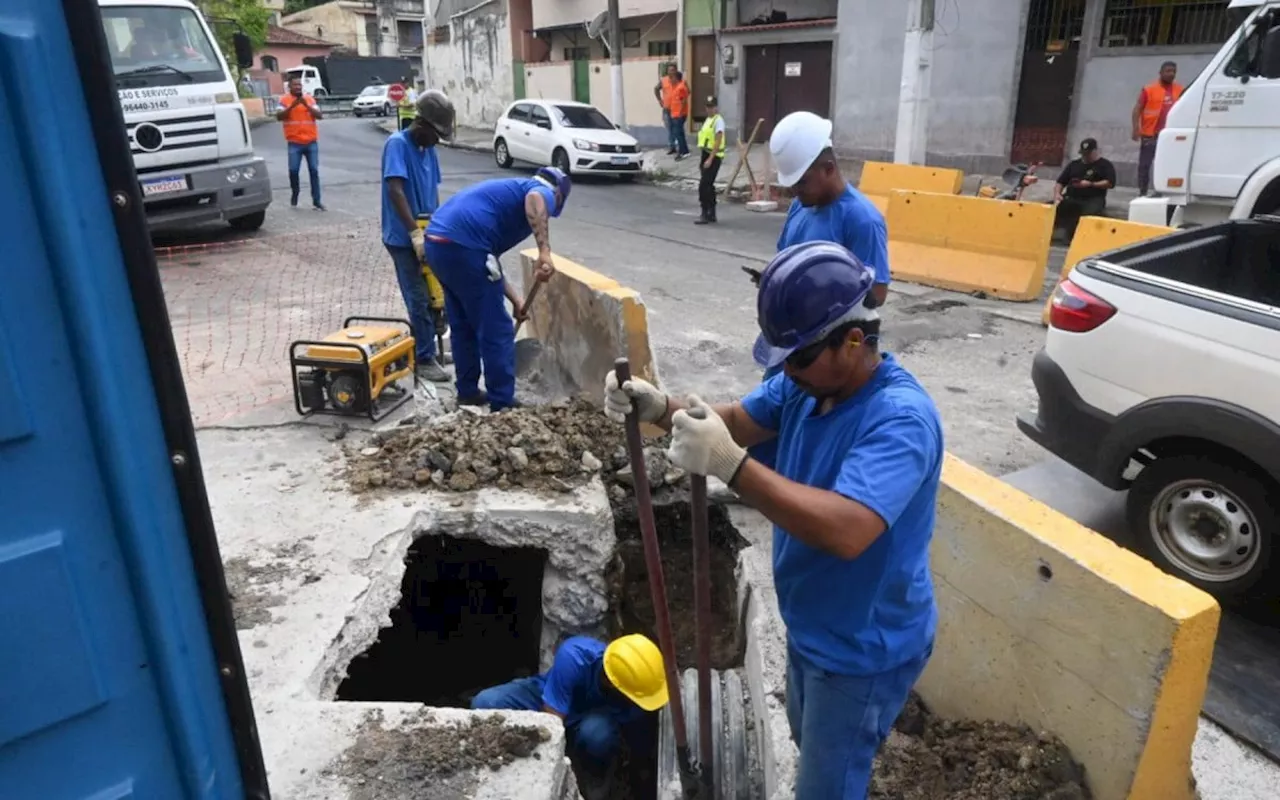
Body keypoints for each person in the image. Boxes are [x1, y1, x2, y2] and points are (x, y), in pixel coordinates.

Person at [604, 241, 942, 800]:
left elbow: (848, 528)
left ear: (853, 340)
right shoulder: (808, 383)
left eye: (799, 356)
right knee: (809, 746)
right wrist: (662, 409)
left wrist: (729, 466)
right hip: (813, 628)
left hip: (862, 649)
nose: (786, 369)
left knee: (827, 787)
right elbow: (739, 419)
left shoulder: (900, 421)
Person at [423, 167, 570, 411]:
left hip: (438, 244)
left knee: (464, 325)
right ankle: (502, 403)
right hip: (464, 246)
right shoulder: (540, 191)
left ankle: (467, 392)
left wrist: (516, 301)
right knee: (496, 328)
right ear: (558, 197)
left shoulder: (506, 195)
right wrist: (544, 251)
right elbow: (534, 200)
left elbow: (489, 265)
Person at [472, 634, 667, 785]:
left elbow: (640, 739)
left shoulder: (638, 690)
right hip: (550, 702)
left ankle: (593, 774)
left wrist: (640, 771)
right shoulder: (574, 656)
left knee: (597, 736)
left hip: (594, 719)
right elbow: (550, 724)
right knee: (485, 703)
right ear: (610, 681)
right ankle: (496, 762)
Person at [770, 111, 891, 309]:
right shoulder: (799, 206)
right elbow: (784, 260)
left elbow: (876, 293)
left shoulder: (862, 219)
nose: (794, 191)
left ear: (828, 169)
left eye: (801, 182)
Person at [382, 90, 455, 383]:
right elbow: (395, 190)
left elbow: (432, 193)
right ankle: (424, 358)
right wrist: (414, 232)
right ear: (421, 124)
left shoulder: (429, 150)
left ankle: (433, 350)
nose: (438, 141)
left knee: (437, 295)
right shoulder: (397, 145)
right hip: (403, 237)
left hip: (429, 232)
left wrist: (437, 228)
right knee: (418, 298)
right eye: (436, 134)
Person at [1132, 61, 1182, 197]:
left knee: (1165, 165)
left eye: (1173, 71)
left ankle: (1161, 191)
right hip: (1150, 134)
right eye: (1168, 71)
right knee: (1145, 165)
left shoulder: (1180, 90)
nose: (1171, 74)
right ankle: (1142, 192)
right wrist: (1136, 128)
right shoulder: (1149, 89)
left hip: (1169, 136)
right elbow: (1137, 109)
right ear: (1160, 73)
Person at [1053, 137, 1116, 242]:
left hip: (1092, 198)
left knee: (1088, 214)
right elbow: (1060, 182)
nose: (1085, 156)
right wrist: (1057, 195)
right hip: (1072, 196)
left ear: (1095, 151)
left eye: (1088, 154)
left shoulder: (1105, 165)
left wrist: (1091, 184)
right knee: (1052, 208)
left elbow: (1110, 183)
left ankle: (1078, 237)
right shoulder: (1074, 164)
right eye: (1083, 154)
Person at [276, 76, 324, 210]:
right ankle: (295, 193)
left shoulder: (309, 99)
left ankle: (317, 200)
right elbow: (279, 116)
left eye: (299, 85)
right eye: (295, 85)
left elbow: (319, 115)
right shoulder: (284, 100)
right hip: (294, 142)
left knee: (314, 170)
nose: (298, 87)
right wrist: (292, 106)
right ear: (289, 87)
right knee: (293, 170)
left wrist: (306, 106)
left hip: (311, 141)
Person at [694, 95, 726, 225]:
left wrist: (710, 159)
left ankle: (705, 212)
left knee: (704, 185)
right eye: (707, 107)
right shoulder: (708, 120)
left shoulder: (718, 121)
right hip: (705, 154)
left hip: (714, 155)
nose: (709, 109)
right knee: (709, 185)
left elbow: (718, 141)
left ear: (716, 107)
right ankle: (711, 212)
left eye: (711, 107)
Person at [653, 63, 679, 155]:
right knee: (670, 128)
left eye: (672, 70)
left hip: (677, 109)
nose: (670, 72)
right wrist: (660, 100)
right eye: (669, 70)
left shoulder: (679, 80)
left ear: (676, 71)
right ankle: (672, 147)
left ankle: (678, 145)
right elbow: (656, 89)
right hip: (667, 109)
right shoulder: (664, 81)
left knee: (677, 128)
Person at [666, 71, 691, 160]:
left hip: (679, 114)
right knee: (680, 133)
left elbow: (683, 101)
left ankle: (683, 151)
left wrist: (680, 112)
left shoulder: (681, 88)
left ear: (676, 78)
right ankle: (685, 151)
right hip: (675, 114)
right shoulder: (676, 87)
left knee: (678, 134)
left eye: (672, 78)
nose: (671, 79)